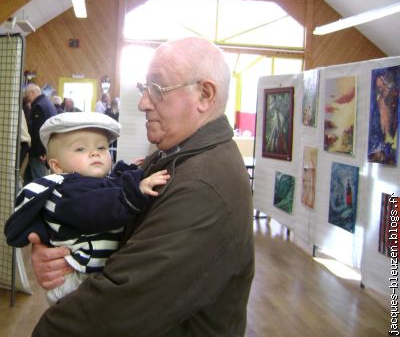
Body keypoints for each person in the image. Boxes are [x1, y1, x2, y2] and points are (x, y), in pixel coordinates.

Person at [29, 37, 254, 336]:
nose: (143, 102)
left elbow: (118, 309)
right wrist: (60, 251)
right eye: (143, 89)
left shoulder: (203, 187)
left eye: (157, 90)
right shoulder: (175, 154)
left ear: (204, 95)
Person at [5, 112, 170, 305]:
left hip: (89, 272)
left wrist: (126, 171)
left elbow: (108, 186)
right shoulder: (67, 192)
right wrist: (134, 192)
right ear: (57, 166)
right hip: (76, 278)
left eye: (101, 147)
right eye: (81, 149)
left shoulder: (90, 183)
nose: (95, 153)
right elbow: (96, 207)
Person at [24, 83, 57, 184]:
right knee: (28, 177)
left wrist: (41, 152)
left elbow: (38, 131)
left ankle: (39, 199)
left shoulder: (39, 106)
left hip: (38, 153)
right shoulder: (47, 103)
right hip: (43, 149)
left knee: (40, 182)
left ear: (32, 92)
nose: (27, 98)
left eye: (27, 95)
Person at [105, 97, 120, 162]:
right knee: (115, 146)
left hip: (109, 130)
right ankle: (115, 160)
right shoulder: (119, 112)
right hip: (116, 131)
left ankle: (107, 160)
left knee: (108, 146)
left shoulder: (107, 111)